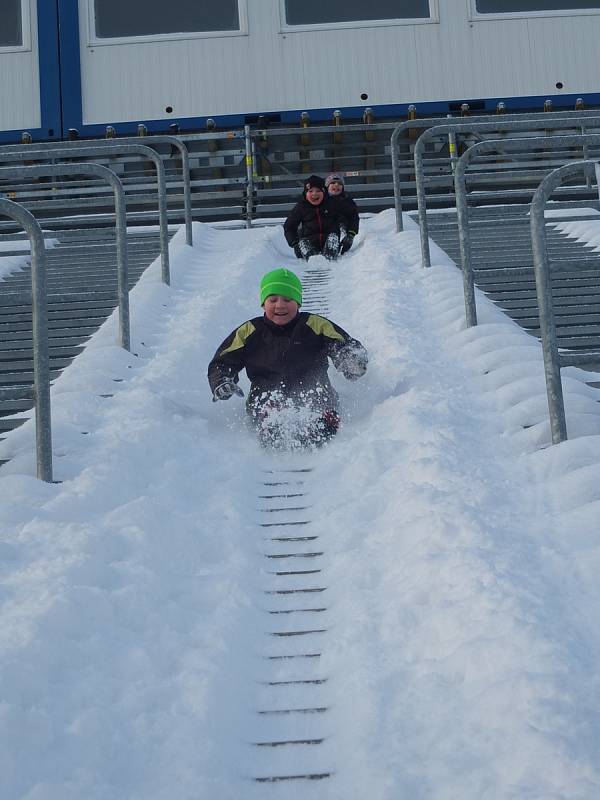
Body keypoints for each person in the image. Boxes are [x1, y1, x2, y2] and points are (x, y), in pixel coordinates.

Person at [208, 268, 368, 446]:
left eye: (287, 299)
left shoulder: (315, 325)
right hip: (266, 396)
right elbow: (222, 361)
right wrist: (222, 381)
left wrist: (351, 360)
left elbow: (344, 344)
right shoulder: (249, 331)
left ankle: (321, 426)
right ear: (263, 304)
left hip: (314, 393)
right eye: (272, 299)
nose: (280, 305)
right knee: (269, 407)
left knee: (319, 401)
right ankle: (272, 428)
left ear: (298, 303)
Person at [283, 175, 348, 261]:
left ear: (324, 192)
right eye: (310, 191)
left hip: (329, 241)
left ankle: (330, 257)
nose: (314, 194)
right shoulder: (301, 207)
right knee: (303, 242)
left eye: (318, 190)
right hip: (310, 242)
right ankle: (312, 259)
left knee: (333, 237)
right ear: (306, 194)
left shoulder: (332, 204)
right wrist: (294, 243)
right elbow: (289, 226)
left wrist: (348, 234)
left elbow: (346, 218)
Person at [325, 173, 359, 254]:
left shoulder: (348, 202)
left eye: (339, 184)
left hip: (340, 229)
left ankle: (332, 252)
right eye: (333, 183)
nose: (336, 185)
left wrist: (351, 234)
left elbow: (354, 218)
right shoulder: (322, 201)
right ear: (327, 186)